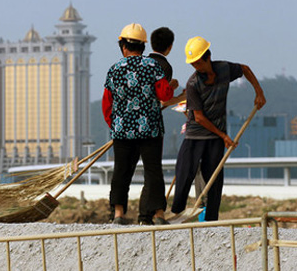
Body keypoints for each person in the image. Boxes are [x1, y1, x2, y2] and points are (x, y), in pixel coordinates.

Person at [171, 37, 266, 221]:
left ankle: (211, 218)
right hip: (195, 135)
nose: (195, 67)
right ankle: (177, 211)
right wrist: (224, 135)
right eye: (192, 64)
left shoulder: (224, 69)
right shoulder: (193, 84)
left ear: (207, 58)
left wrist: (259, 92)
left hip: (214, 138)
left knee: (213, 178)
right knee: (184, 172)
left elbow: (245, 69)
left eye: (197, 62)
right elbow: (198, 117)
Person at [102, 23, 175, 225]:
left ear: (123, 46)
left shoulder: (114, 70)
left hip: (122, 131)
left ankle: (118, 213)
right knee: (153, 172)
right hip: (150, 130)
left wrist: (115, 125)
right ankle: (158, 214)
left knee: (121, 172)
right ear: (143, 47)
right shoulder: (153, 67)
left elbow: (107, 103)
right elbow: (165, 95)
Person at [149, 27, 207, 213]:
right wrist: (179, 97)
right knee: (183, 169)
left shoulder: (144, 63)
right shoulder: (164, 66)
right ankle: (168, 210)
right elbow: (163, 99)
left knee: (198, 172)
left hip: (202, 134)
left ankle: (201, 209)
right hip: (156, 126)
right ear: (170, 47)